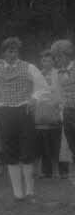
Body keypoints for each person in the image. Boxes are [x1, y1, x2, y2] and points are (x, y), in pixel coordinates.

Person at [0, 37, 49, 202]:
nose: (12, 54)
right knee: (10, 152)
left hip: (24, 111)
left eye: (15, 51)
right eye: (8, 51)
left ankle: (30, 191)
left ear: (18, 52)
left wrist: (34, 98)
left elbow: (44, 88)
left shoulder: (29, 67)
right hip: (5, 113)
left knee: (27, 151)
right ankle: (18, 193)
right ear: (3, 52)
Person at [33, 50, 63, 179]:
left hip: (55, 111)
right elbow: (34, 93)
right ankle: (38, 171)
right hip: (40, 113)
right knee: (39, 144)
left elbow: (60, 92)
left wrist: (58, 105)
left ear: (53, 61)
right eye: (44, 60)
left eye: (49, 60)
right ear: (41, 61)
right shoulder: (37, 75)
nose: (46, 63)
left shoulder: (59, 74)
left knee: (55, 143)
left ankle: (56, 171)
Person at [50, 40, 75, 180]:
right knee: (72, 147)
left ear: (67, 55)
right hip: (68, 113)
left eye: (58, 57)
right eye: (55, 57)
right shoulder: (57, 73)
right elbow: (58, 95)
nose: (56, 60)